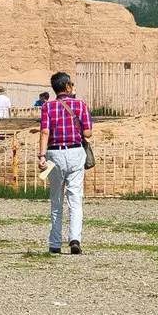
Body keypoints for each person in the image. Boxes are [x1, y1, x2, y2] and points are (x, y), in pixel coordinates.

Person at [38, 71, 93, 255]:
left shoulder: (47, 107)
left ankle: (55, 243)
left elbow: (45, 132)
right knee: (75, 198)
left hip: (54, 154)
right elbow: (87, 133)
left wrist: (41, 156)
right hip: (76, 151)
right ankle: (75, 239)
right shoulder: (80, 105)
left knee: (56, 200)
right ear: (68, 86)